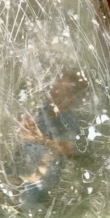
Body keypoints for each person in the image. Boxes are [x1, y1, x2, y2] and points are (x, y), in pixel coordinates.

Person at [14, 72, 86, 209]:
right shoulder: (42, 110)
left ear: (72, 97)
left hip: (40, 176)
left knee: (25, 201)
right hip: (23, 164)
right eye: (54, 87)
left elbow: (67, 149)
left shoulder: (67, 121)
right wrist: (24, 126)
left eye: (60, 90)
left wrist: (40, 140)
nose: (54, 92)